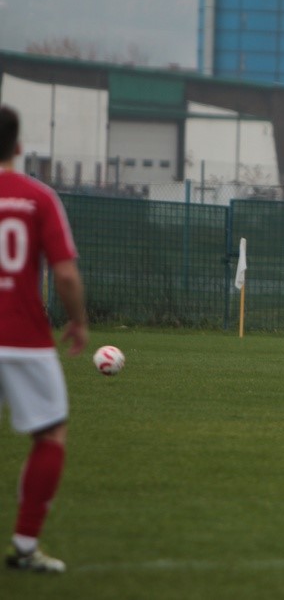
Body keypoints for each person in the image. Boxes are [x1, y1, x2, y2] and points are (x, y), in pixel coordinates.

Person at [0, 105, 88, 573]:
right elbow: (66, 275)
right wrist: (78, 321)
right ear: (18, 146)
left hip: (21, 338)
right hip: (24, 338)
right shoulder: (38, 197)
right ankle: (26, 543)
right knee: (51, 433)